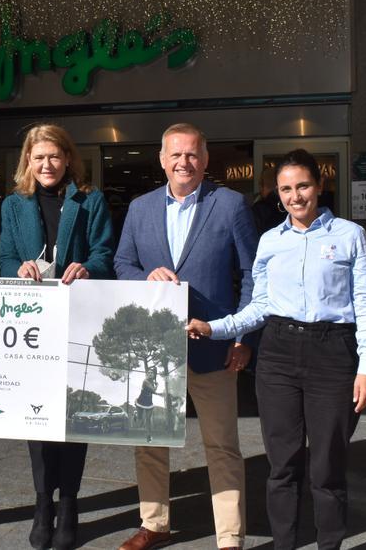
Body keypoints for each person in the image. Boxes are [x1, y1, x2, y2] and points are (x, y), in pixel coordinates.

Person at [188, 148, 366, 550]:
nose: (296, 196)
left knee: (327, 468)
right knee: (282, 466)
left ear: (319, 186)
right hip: (278, 353)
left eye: (303, 186)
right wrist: (215, 328)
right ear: (277, 194)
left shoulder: (349, 235)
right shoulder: (270, 241)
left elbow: (365, 303)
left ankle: (329, 545)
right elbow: (259, 305)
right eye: (286, 189)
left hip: (334, 354)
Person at [114, 123, 259, 550]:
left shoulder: (231, 205)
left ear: (205, 159)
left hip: (215, 346)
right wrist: (146, 276)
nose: (184, 162)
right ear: (162, 160)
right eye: (175, 155)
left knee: (222, 446)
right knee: (151, 441)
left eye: (192, 154)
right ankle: (153, 524)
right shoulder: (139, 209)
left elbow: (252, 275)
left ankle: (230, 538)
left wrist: (242, 335)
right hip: (154, 348)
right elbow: (122, 263)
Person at [0, 123, 115, 550]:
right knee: (39, 417)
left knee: (75, 416)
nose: (46, 164)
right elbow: (5, 256)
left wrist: (88, 267)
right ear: (28, 160)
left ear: (68, 159)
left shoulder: (90, 200)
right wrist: (18, 269)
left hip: (78, 319)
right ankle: (42, 501)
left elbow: (105, 252)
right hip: (34, 326)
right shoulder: (14, 204)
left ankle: (70, 504)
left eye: (54, 156)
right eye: (38, 156)